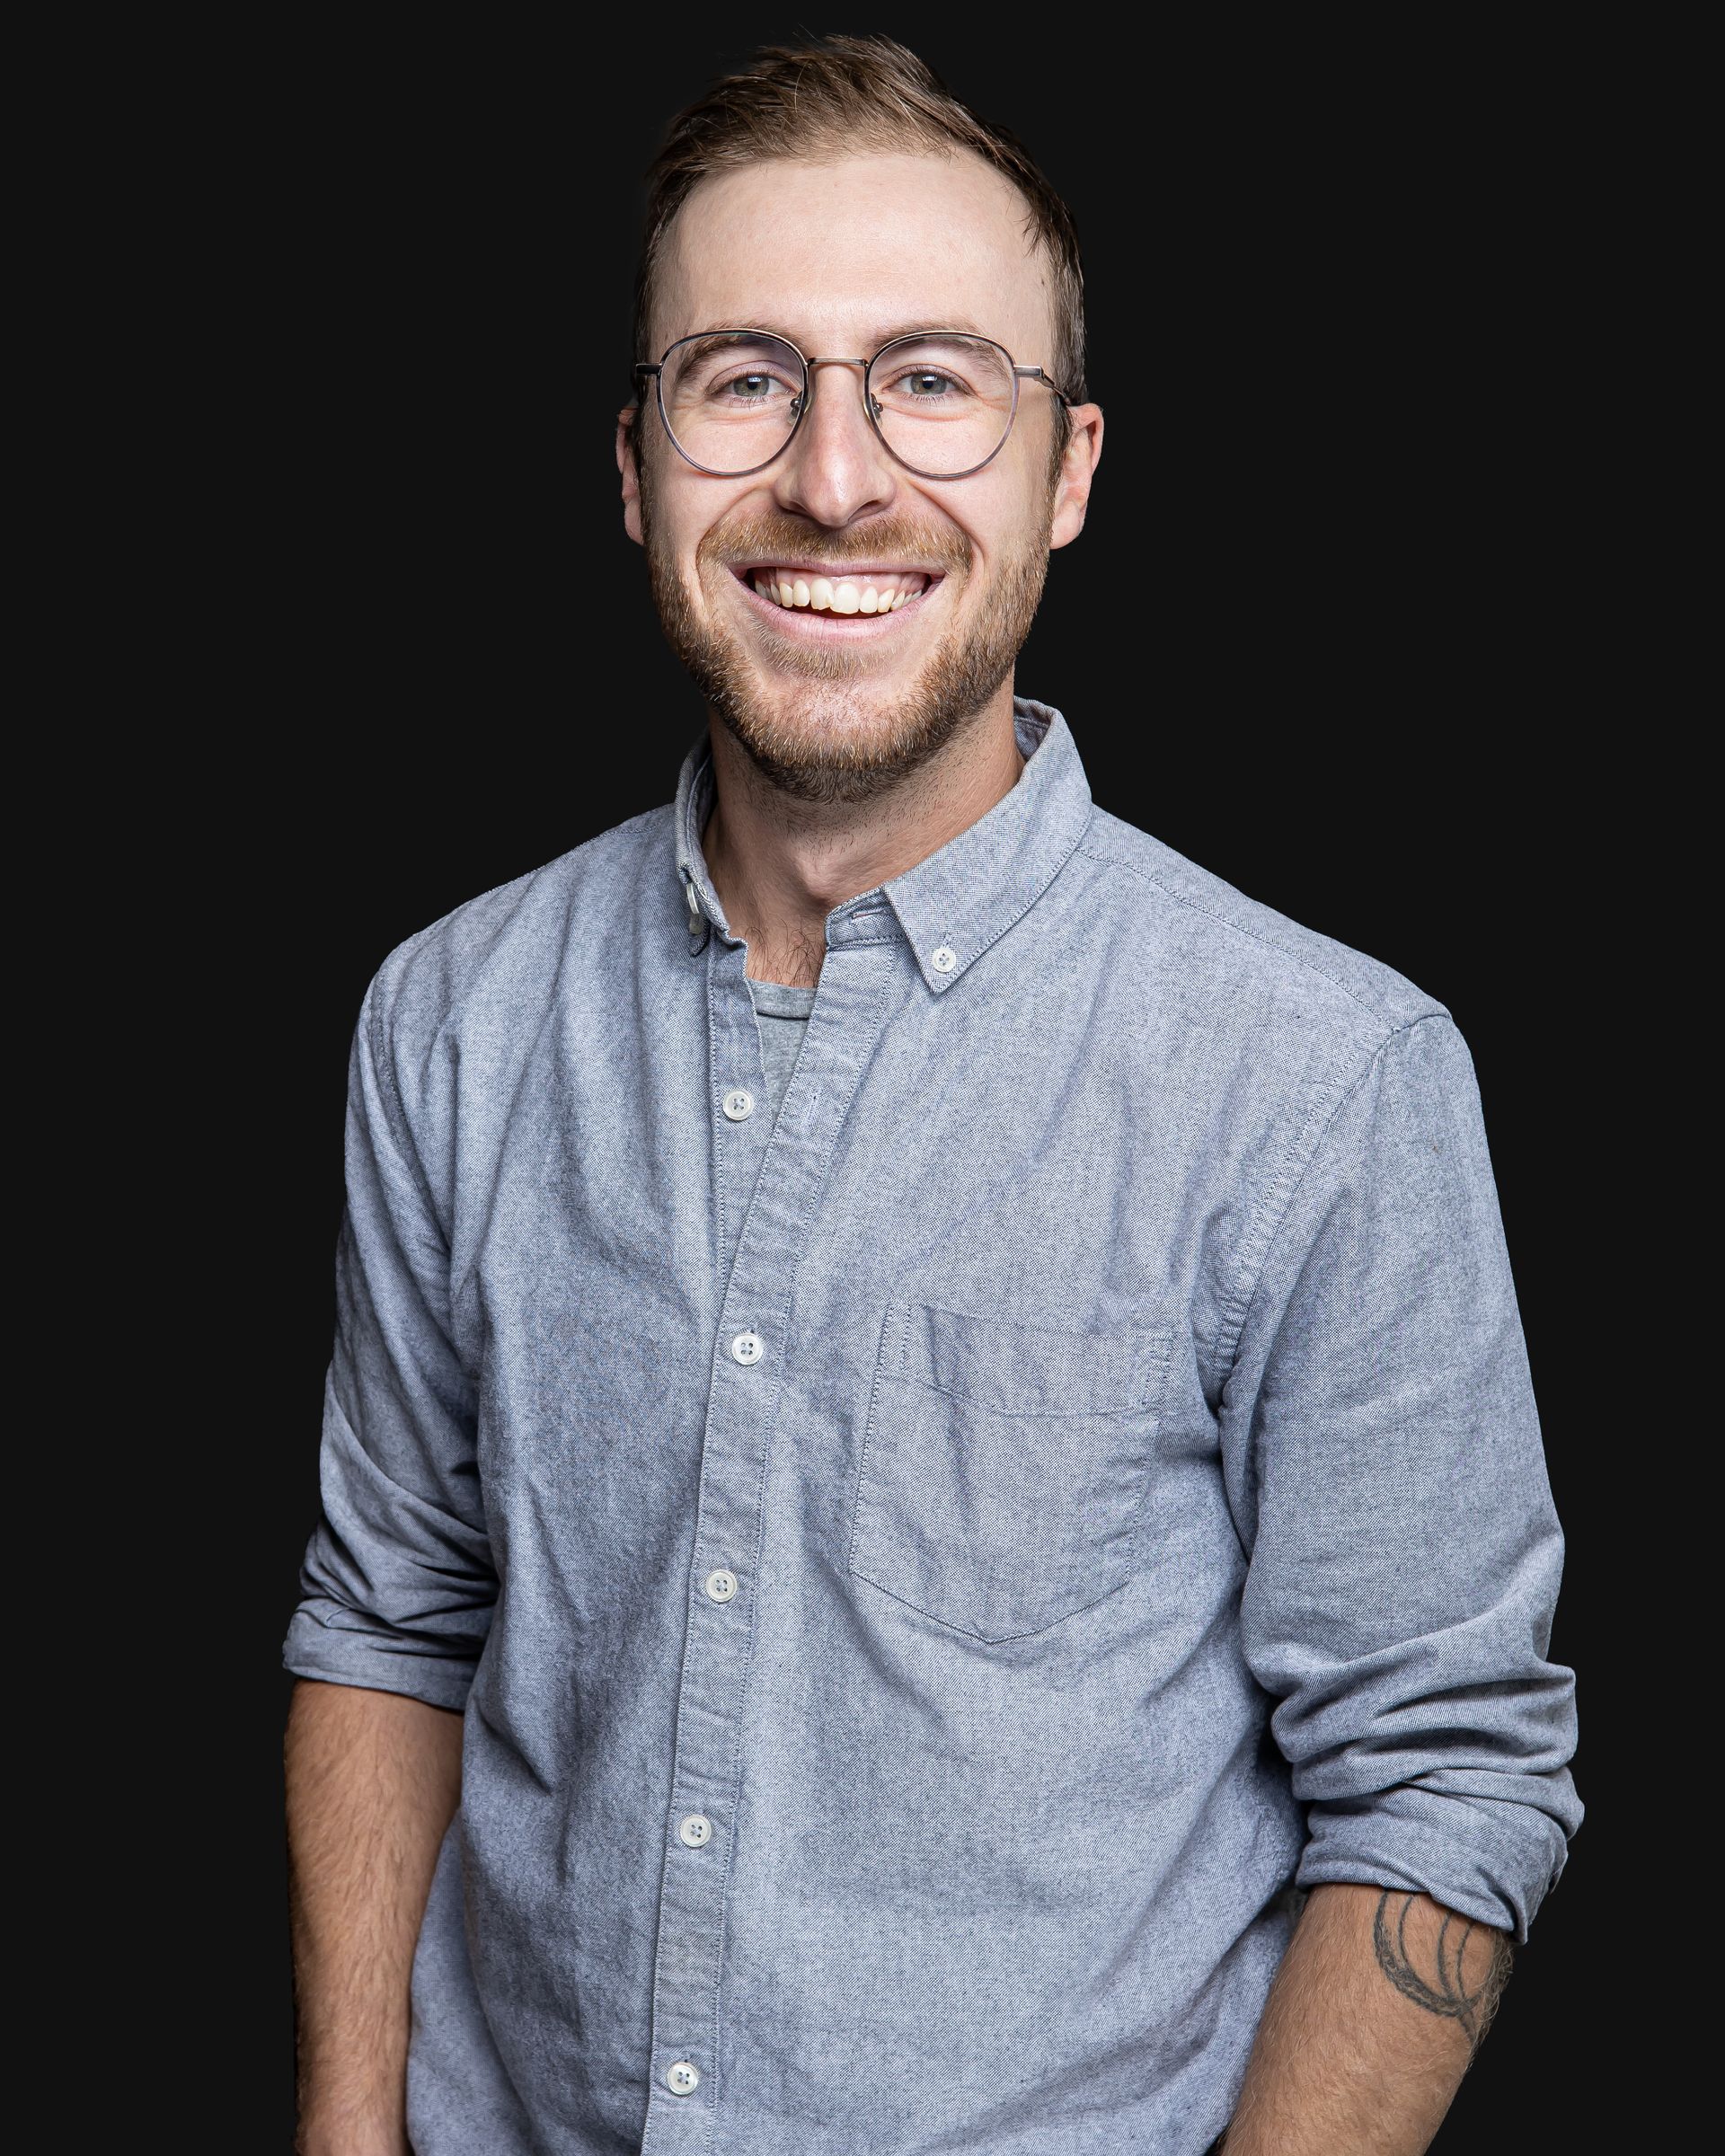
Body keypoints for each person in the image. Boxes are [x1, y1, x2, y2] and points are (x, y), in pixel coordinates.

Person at [282, 36, 1580, 2156]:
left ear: (1066, 473)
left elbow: (1448, 1776)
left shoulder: (1322, 1083)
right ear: (636, 467)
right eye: (744, 377)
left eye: (935, 379)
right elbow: (390, 1615)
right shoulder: (452, 1019)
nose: (836, 476)